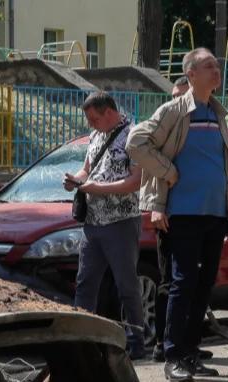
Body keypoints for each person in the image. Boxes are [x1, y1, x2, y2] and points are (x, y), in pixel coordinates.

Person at [127, 48, 228, 382]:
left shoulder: (216, 112)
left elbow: (225, 166)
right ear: (190, 74)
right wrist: (168, 171)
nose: (216, 71)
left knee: (204, 285)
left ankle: (191, 352)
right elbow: (136, 142)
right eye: (208, 66)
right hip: (183, 213)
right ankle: (173, 354)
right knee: (181, 282)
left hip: (214, 213)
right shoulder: (175, 111)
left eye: (217, 66)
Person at [62, 92, 146, 358]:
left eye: (94, 118)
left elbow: (136, 181)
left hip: (121, 222)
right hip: (93, 222)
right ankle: (81, 340)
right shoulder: (97, 135)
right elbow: (87, 169)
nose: (91, 124)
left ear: (109, 112)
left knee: (126, 285)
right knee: (85, 282)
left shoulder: (134, 136)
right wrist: (75, 180)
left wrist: (99, 188)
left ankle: (136, 342)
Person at [151, 75, 194, 361]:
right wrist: (157, 206)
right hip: (168, 215)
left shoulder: (197, 130)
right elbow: (152, 171)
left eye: (182, 97)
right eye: (174, 96)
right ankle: (161, 344)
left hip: (196, 215)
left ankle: (186, 342)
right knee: (168, 282)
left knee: (190, 282)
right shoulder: (165, 133)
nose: (176, 103)